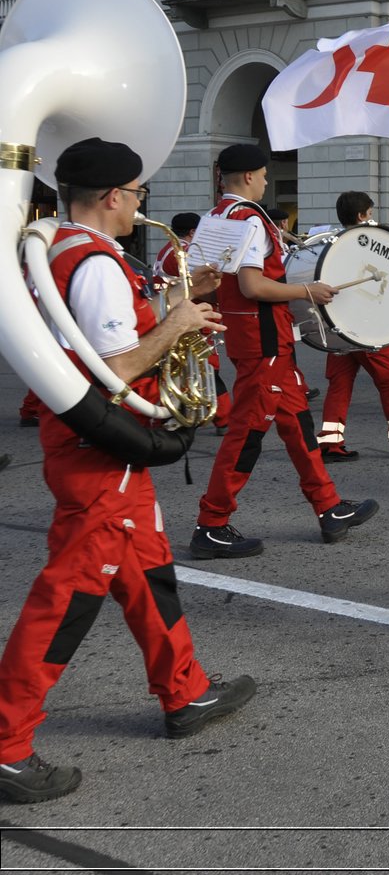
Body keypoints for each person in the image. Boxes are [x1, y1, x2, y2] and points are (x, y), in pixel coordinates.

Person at [0, 138, 255, 804]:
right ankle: (5, 742)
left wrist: (181, 296)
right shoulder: (97, 267)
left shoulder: (64, 250)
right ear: (113, 196)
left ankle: (185, 689)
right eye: (138, 192)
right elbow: (113, 370)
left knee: (149, 571)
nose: (143, 203)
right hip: (101, 454)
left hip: (94, 451)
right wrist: (176, 325)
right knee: (68, 599)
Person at [193, 144, 379, 558]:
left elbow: (207, 280)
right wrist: (306, 290)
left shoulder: (215, 217)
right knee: (246, 433)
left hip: (248, 336)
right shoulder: (251, 221)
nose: (264, 181)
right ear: (246, 177)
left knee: (296, 422)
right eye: (262, 174)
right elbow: (253, 286)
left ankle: (328, 506)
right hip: (265, 339)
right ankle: (212, 522)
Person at [316, 192, 389, 462]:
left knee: (340, 384)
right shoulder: (370, 245)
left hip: (338, 329)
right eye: (370, 213)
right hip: (367, 328)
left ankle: (331, 442)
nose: (372, 217)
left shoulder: (332, 247)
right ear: (361, 216)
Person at [153, 211, 233, 434]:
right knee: (206, 367)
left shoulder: (166, 249)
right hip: (189, 316)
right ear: (192, 232)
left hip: (171, 313)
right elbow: (200, 287)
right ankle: (224, 419)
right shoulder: (185, 252)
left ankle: (179, 413)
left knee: (181, 370)